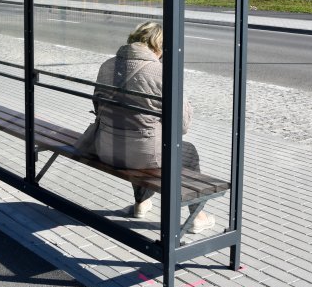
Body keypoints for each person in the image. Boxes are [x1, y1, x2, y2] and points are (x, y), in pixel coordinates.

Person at [83, 21, 215, 233]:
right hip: (141, 155)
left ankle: (141, 204)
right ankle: (197, 216)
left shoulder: (107, 65)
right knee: (186, 151)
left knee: (138, 142)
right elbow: (182, 126)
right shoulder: (160, 72)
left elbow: (97, 105)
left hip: (106, 149)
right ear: (158, 46)